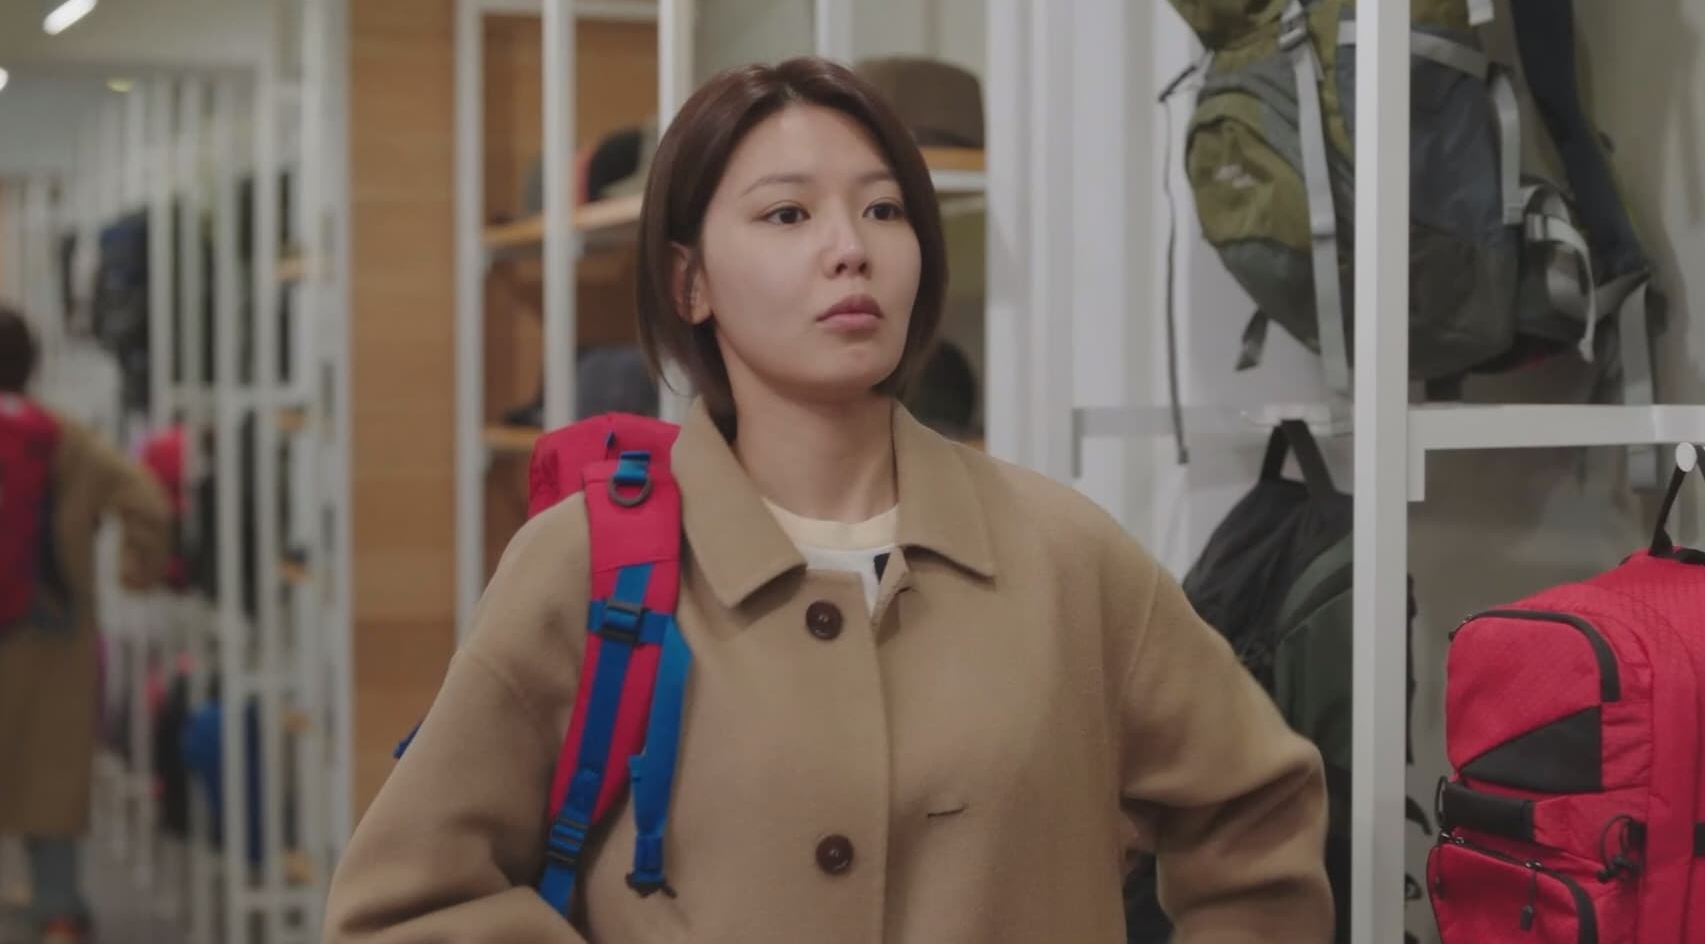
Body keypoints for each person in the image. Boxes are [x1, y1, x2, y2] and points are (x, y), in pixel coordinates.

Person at [323, 57, 1332, 943]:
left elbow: (1253, 810)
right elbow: (404, 906)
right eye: (787, 214)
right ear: (688, 282)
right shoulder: (582, 562)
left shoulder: (1065, 554)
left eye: (884, 210)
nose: (850, 247)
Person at [0, 305, 172, 944]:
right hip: (52, 633)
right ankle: (58, 911)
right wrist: (137, 570)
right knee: (49, 779)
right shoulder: (64, 438)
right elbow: (146, 497)